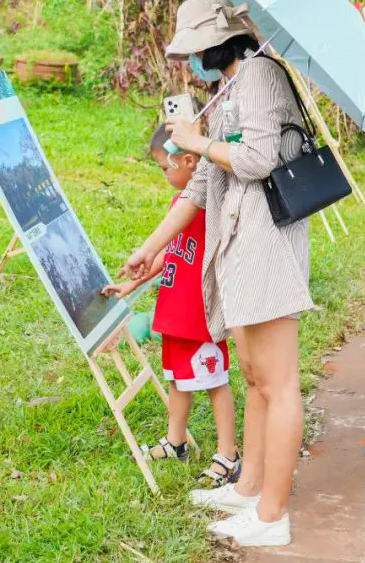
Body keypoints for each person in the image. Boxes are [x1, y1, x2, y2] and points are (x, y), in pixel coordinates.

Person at [120, 0, 312, 547]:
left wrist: (197, 141)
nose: (190, 62)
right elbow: (204, 184)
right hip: (235, 245)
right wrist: (152, 247)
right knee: (252, 376)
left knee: (278, 382)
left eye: (195, 49)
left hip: (266, 244)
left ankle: (273, 514)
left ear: (219, 40)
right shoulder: (229, 87)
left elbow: (256, 160)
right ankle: (248, 487)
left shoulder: (258, 77)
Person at [102, 125, 241, 489]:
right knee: (179, 377)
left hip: (200, 313)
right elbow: (169, 252)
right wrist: (134, 282)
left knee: (215, 382)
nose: (164, 174)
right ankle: (175, 441)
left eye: (166, 167)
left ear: (189, 160)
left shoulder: (207, 202)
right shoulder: (180, 205)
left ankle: (229, 454)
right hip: (176, 311)